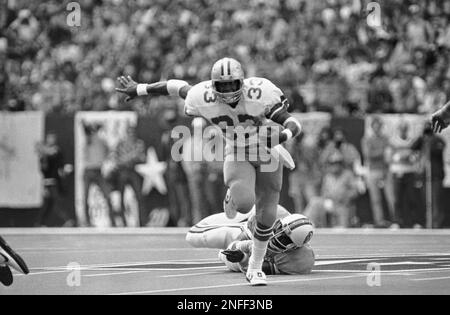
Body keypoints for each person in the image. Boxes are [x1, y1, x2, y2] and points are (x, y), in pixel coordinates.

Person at [116, 57, 302, 286]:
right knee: (244, 203)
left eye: (232, 84)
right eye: (221, 85)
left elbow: (294, 123)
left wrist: (282, 136)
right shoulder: (202, 96)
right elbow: (175, 86)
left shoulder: (260, 92)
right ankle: (233, 195)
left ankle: (254, 268)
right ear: (214, 86)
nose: (227, 90)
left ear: (242, 82)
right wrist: (140, 89)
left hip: (268, 152)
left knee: (267, 215)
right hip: (238, 150)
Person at [186, 205, 315, 275]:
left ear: (294, 247)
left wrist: (242, 258)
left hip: (249, 243)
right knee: (193, 236)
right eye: (279, 228)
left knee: (224, 255)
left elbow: (259, 267)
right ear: (280, 221)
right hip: (244, 229)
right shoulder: (274, 213)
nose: (277, 235)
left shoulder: (299, 261)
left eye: (284, 239)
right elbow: (241, 238)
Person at [411, 121, 446, 228]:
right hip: (424, 176)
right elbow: (413, 146)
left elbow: (437, 150)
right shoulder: (422, 140)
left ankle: (435, 223)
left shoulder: (438, 140)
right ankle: (428, 222)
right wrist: (422, 136)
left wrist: (431, 139)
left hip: (435, 176)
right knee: (426, 201)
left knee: (435, 201)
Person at [361, 117, 391, 227]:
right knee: (376, 199)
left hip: (385, 170)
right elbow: (368, 154)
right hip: (373, 170)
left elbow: (389, 154)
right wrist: (382, 152)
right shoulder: (367, 139)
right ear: (372, 127)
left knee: (390, 198)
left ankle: (393, 220)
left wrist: (380, 153)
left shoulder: (385, 138)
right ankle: (379, 221)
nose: (378, 128)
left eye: (379, 126)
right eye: (376, 126)